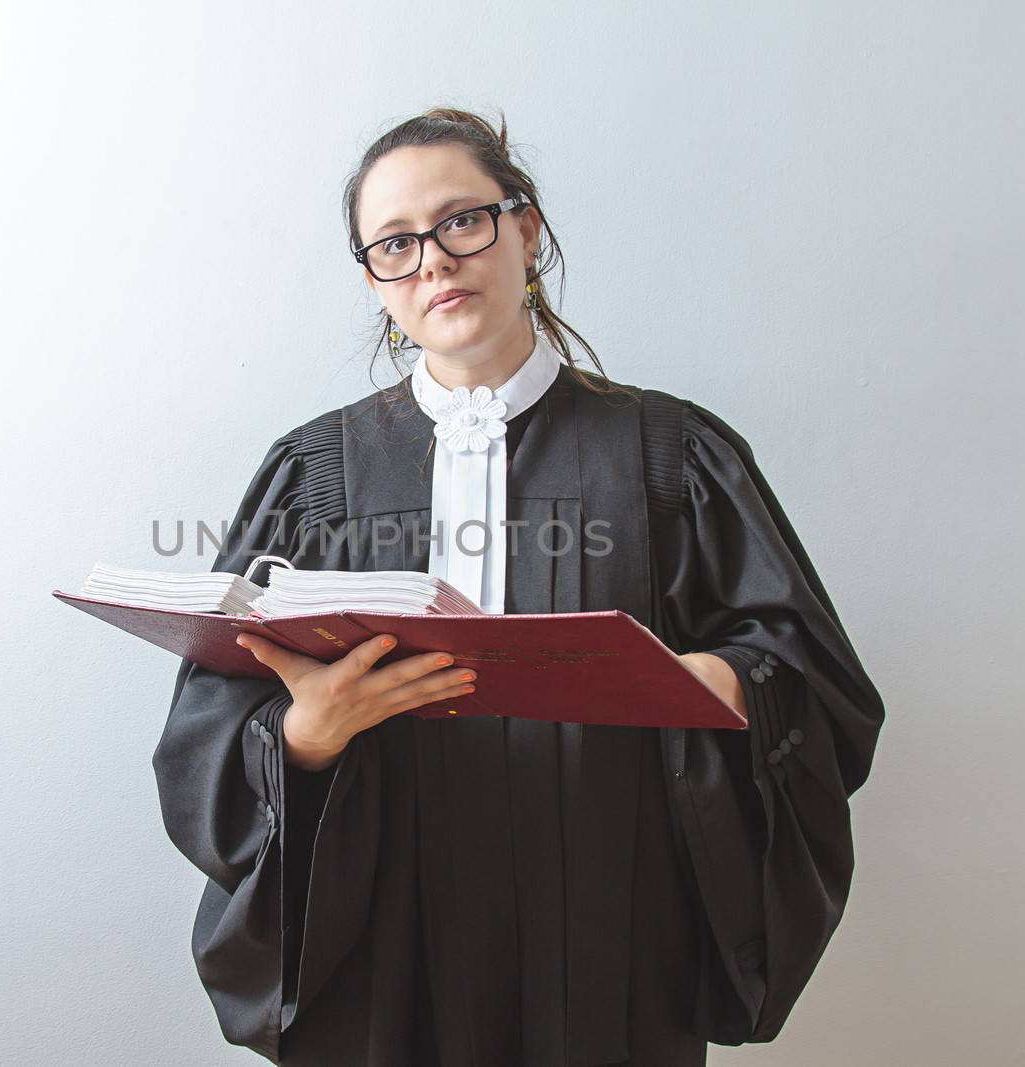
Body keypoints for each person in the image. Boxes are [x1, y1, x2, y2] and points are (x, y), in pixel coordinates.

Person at [151, 107, 885, 1067]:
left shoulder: (670, 456)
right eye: (396, 245)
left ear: (525, 230)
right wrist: (306, 735)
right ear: (374, 280)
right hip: (382, 928)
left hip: (610, 925)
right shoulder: (314, 476)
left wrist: (718, 682)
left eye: (463, 222)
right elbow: (207, 727)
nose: (434, 263)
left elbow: (813, 679)